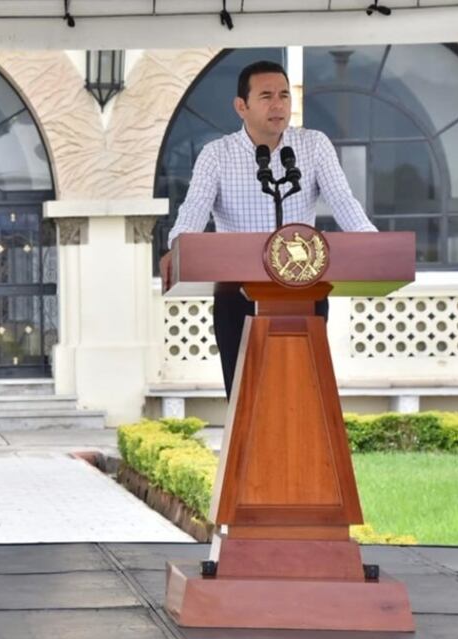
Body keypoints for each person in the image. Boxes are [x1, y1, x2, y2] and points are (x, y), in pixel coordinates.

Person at [161, 60, 376, 400]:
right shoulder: (216, 155)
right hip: (237, 296)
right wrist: (177, 246)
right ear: (241, 106)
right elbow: (193, 212)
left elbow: (343, 202)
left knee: (303, 397)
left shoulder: (313, 145)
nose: (278, 105)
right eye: (266, 96)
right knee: (247, 399)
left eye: (284, 96)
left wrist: (373, 246)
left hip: (304, 291)